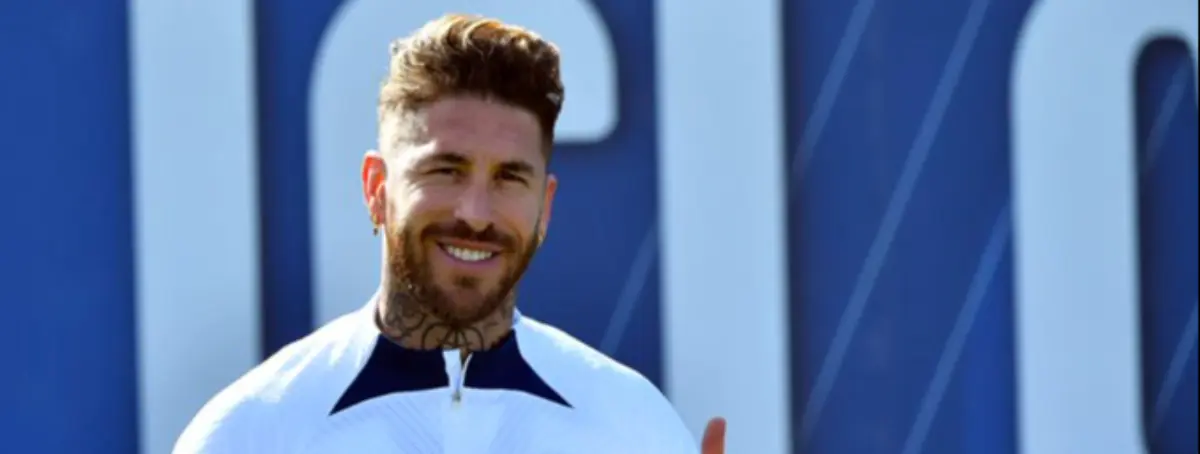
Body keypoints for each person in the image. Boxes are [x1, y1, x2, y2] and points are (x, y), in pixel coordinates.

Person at [174, 13, 728, 454]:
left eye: (509, 177)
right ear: (376, 187)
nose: (476, 213)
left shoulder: (635, 427)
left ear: (545, 206)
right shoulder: (248, 433)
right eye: (446, 170)